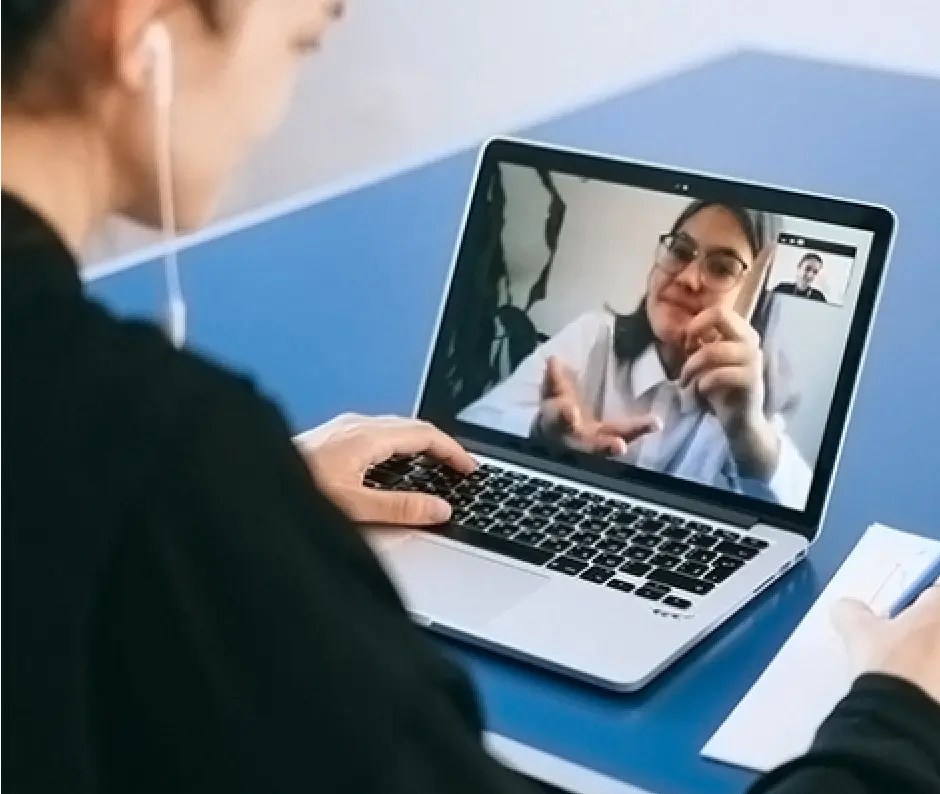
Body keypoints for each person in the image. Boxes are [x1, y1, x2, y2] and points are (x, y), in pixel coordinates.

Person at [3, 1, 937, 793]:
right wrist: (901, 716)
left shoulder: (760, 397)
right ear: (142, 31)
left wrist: (259, 498)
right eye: (303, 42)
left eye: (721, 265)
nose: (281, 105)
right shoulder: (173, 463)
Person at [460, 201, 811, 508]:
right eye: (680, 252)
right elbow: (473, 423)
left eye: (721, 268)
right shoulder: (594, 337)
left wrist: (747, 432)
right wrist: (538, 432)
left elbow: (798, 516)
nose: (688, 278)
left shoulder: (749, 404)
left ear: (758, 300)